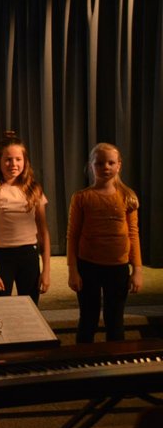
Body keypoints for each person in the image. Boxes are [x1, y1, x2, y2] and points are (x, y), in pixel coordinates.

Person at [67, 143, 142, 343]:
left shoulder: (128, 197)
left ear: (119, 165)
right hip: (88, 266)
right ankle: (84, 359)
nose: (105, 167)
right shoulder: (81, 197)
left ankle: (116, 360)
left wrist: (137, 269)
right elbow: (73, 235)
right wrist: (73, 270)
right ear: (91, 166)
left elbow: (133, 234)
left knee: (115, 320)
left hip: (117, 267)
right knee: (88, 319)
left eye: (110, 163)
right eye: (99, 163)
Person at [0, 137, 51, 303]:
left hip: (28, 255)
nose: (13, 164)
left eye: (18, 159)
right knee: (0, 307)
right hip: (1, 256)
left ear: (25, 161)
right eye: (8, 159)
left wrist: (46, 271)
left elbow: (43, 232)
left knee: (30, 306)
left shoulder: (34, 190)